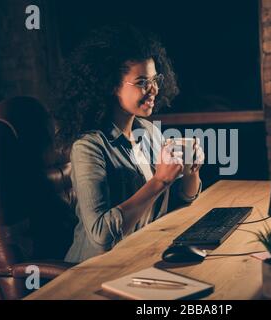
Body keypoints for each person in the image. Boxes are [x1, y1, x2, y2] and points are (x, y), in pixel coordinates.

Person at [53, 25, 204, 263]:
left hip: (142, 256)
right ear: (112, 85)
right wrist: (159, 181)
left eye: (155, 79)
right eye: (142, 81)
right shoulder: (88, 147)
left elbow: (180, 201)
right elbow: (102, 237)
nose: (154, 89)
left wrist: (190, 172)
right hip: (92, 272)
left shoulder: (149, 132)